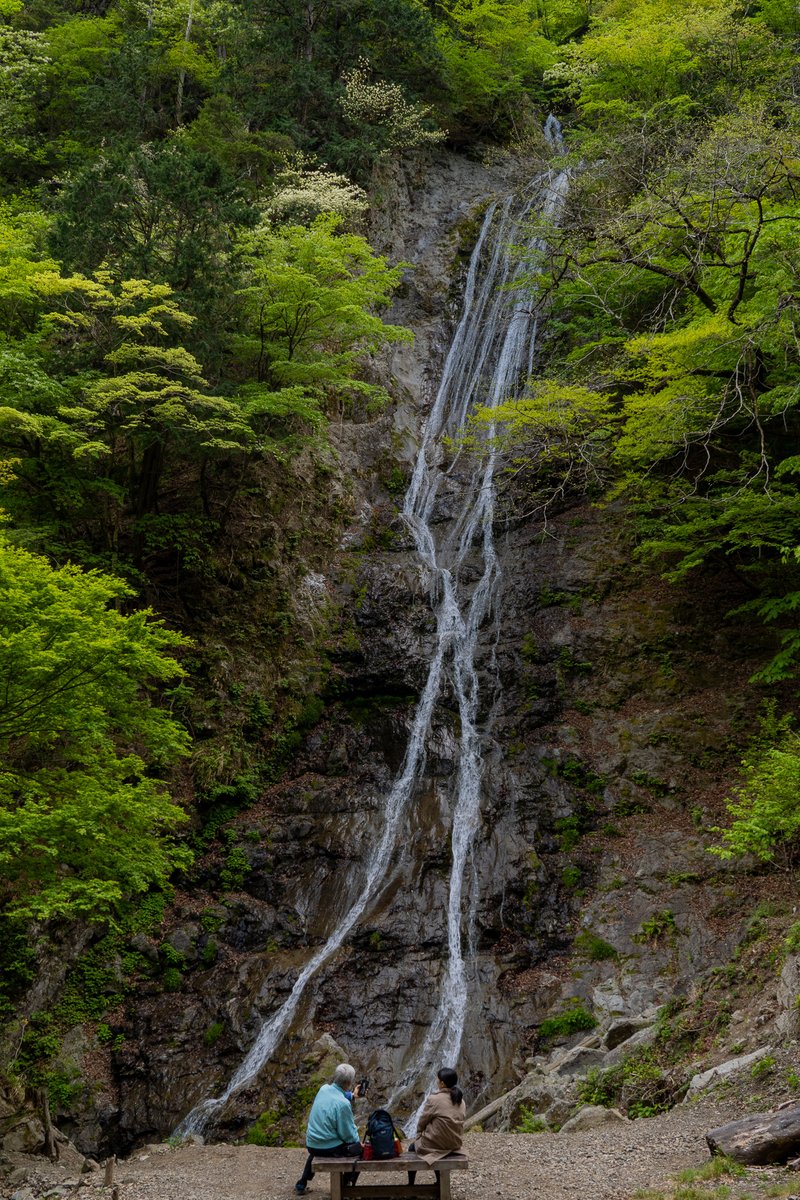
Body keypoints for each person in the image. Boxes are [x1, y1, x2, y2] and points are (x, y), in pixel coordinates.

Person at [295, 1063, 363, 1195]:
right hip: (329, 1149)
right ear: (349, 1083)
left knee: (316, 1151)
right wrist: (358, 1144)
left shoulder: (323, 1089)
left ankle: (301, 1184)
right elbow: (348, 1135)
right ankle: (346, 1186)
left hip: (312, 1144)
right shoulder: (343, 1104)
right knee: (360, 1152)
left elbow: (336, 1094)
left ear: (335, 1077)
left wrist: (352, 1096)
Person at [407, 1068, 465, 1185]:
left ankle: (411, 1184)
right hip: (455, 1143)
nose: (436, 1082)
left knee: (412, 1147)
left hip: (439, 1144)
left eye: (437, 1080)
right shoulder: (460, 1100)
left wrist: (419, 1134)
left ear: (442, 1083)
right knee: (438, 1141)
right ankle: (439, 1182)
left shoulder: (434, 1099)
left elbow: (423, 1121)